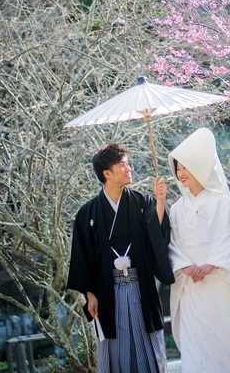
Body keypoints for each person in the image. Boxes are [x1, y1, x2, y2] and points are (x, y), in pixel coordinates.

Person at [168, 127, 230, 373]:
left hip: (219, 281)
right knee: (196, 342)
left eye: (186, 167)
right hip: (191, 285)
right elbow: (172, 243)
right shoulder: (176, 208)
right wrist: (185, 266)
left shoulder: (221, 201)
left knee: (226, 335)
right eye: (178, 168)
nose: (181, 173)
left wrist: (210, 264)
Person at [67, 143, 174, 373]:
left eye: (128, 164)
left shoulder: (143, 202)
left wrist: (160, 201)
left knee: (146, 342)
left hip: (140, 286)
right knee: (116, 346)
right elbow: (83, 256)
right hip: (108, 291)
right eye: (122, 165)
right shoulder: (87, 213)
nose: (129, 169)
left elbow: (156, 236)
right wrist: (90, 295)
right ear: (107, 173)